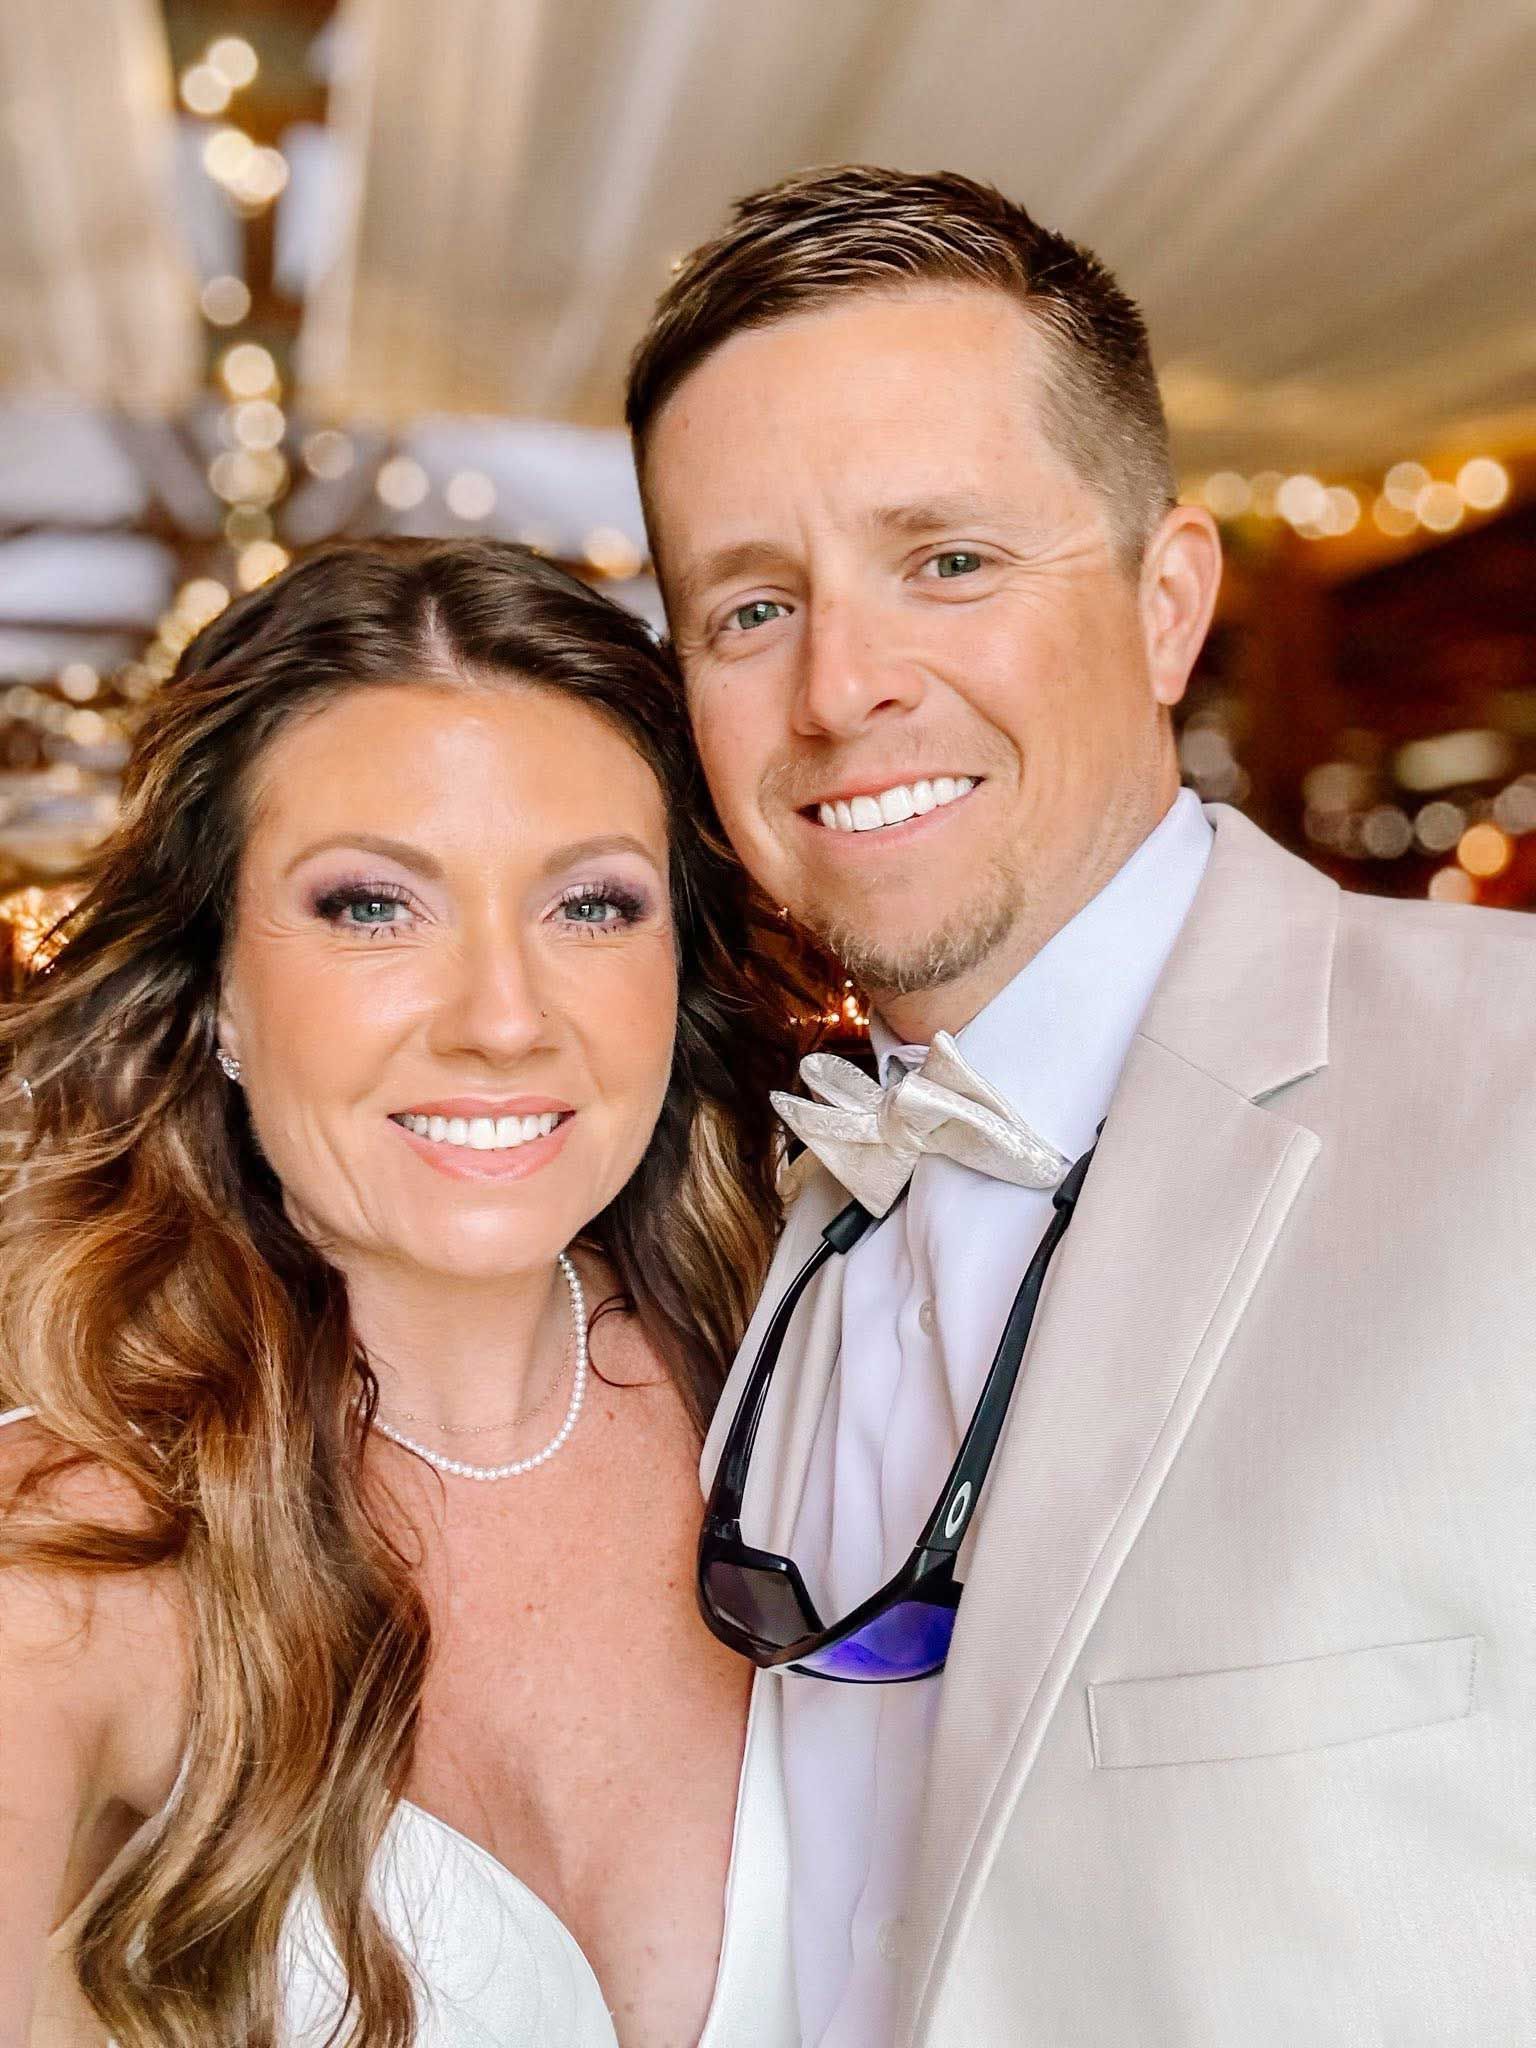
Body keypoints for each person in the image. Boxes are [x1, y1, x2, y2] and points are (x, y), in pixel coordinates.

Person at [625, 166, 1536, 2047]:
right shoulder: (743, 1243)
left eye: (949, 561)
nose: (842, 689)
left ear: (1166, 602)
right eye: (751, 607)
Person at [0, 538, 805, 2048]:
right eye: (374, 906)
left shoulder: (812, 1396)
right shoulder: (66, 1553)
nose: (502, 1020)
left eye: (592, 906)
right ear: (217, 986)